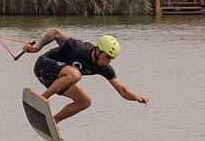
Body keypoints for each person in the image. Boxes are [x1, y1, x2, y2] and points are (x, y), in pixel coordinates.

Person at [20, 28, 149, 124]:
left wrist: (136, 97)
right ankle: (42, 99)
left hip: (57, 81)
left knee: (85, 101)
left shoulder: (104, 68)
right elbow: (55, 32)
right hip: (43, 66)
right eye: (107, 57)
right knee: (75, 75)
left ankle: (52, 122)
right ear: (98, 50)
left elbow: (122, 90)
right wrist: (37, 47)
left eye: (112, 59)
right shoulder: (79, 48)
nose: (108, 61)